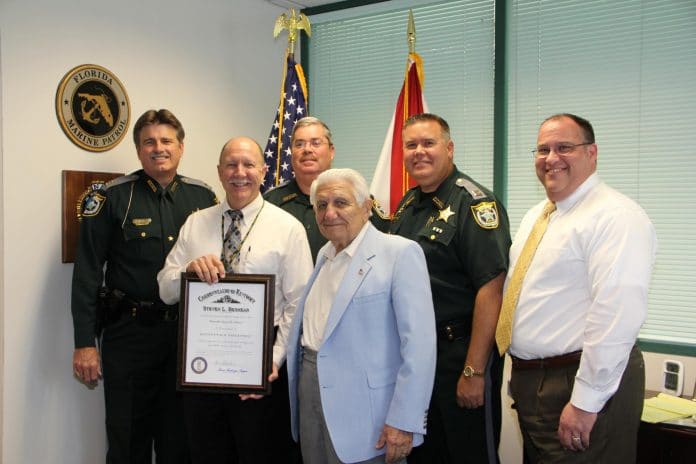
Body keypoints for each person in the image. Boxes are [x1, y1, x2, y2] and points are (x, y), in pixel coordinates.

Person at [497, 113, 657, 463]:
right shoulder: (538, 215)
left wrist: (586, 402)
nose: (551, 158)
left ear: (592, 153)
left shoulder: (615, 216)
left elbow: (616, 314)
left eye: (564, 147)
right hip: (535, 385)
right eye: (542, 149)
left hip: (578, 384)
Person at [71, 109, 218, 463]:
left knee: (179, 438)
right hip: (130, 335)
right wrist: (84, 345)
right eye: (149, 142)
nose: (158, 148)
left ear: (181, 147)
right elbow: (88, 273)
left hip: (186, 336)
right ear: (138, 150)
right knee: (128, 438)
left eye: (166, 140)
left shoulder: (205, 199)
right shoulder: (112, 198)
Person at [157, 136, 313, 464]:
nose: (239, 172)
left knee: (260, 453)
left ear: (263, 170)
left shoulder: (288, 228)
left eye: (248, 164)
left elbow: (297, 304)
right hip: (202, 362)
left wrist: (272, 360)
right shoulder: (196, 223)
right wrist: (188, 270)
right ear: (219, 171)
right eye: (231, 164)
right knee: (207, 452)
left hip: (261, 362)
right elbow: (165, 290)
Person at [286, 168, 437, 464]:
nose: (330, 213)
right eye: (321, 205)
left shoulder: (400, 254)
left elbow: (420, 348)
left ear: (367, 207)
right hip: (313, 404)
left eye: (341, 203)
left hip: (370, 422)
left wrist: (404, 420)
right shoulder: (324, 255)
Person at [389, 113, 511, 463]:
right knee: (426, 455)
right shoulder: (407, 206)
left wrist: (473, 372)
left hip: (460, 353)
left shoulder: (474, 204)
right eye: (411, 145)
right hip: (418, 358)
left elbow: (492, 288)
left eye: (429, 143)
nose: (419, 152)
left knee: (469, 454)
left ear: (449, 148)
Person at [265, 116, 390, 262]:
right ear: (291, 153)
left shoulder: (358, 198)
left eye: (315, 143)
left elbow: (381, 252)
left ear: (331, 151)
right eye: (299, 144)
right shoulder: (271, 202)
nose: (307, 149)